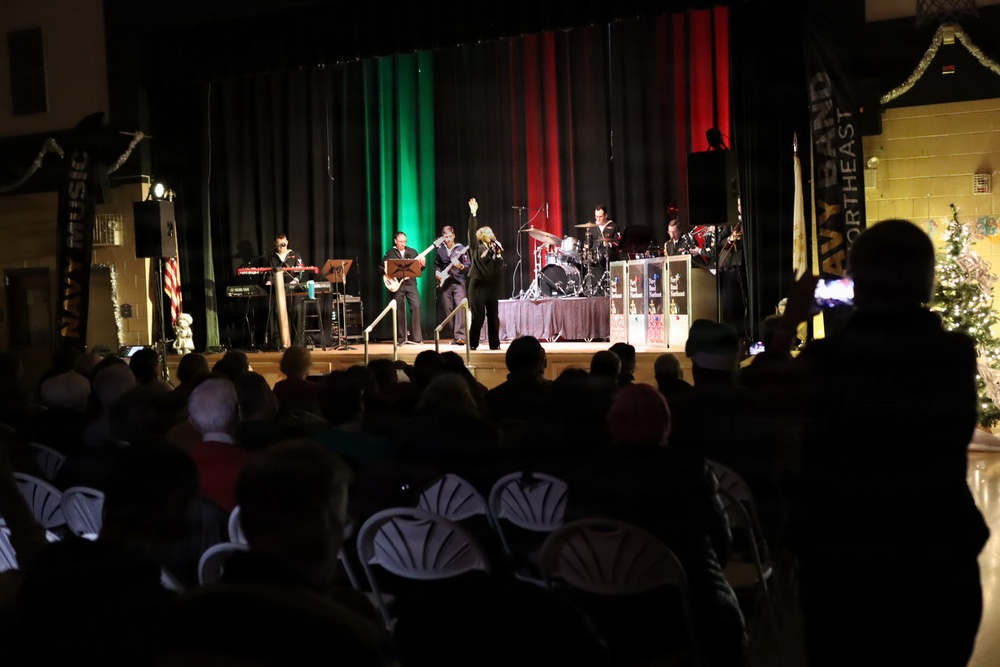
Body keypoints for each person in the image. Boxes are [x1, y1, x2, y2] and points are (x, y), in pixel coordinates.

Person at [778, 220, 990, 666]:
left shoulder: (827, 362)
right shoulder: (955, 355)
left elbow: (761, 396)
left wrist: (789, 321)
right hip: (936, 562)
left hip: (844, 570)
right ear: (925, 279)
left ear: (856, 282)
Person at [466, 198, 503, 350]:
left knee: (493, 316)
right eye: (488, 233)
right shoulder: (476, 247)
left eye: (492, 233)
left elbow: (499, 266)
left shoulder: (494, 248)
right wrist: (473, 214)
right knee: (479, 316)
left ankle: (495, 344)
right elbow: (470, 233)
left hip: (491, 286)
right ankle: (473, 343)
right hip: (478, 286)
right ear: (481, 235)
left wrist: (499, 254)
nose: (492, 234)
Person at [267, 232, 312, 347]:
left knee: (297, 313)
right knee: (277, 316)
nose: (281, 247)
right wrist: (269, 281)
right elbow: (269, 275)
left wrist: (296, 280)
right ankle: (279, 344)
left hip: (294, 291)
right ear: (275, 244)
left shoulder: (295, 255)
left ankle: (297, 345)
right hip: (279, 293)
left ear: (287, 242)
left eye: (283, 244)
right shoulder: (272, 258)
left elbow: (301, 271)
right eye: (278, 245)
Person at [381, 231, 424, 345]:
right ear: (395, 241)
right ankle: (401, 338)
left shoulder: (412, 252)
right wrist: (387, 273)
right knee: (399, 310)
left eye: (404, 241)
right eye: (400, 242)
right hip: (397, 285)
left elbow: (418, 269)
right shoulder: (389, 253)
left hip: (410, 283)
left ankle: (417, 338)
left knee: (416, 306)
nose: (403, 244)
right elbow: (382, 267)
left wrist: (422, 265)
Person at [434, 225, 470, 345]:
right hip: (445, 283)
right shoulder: (440, 250)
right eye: (445, 236)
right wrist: (437, 273)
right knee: (447, 309)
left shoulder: (461, 249)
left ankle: (461, 336)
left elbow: (467, 267)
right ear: (443, 236)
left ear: (453, 236)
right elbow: (436, 265)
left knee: (460, 308)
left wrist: (459, 265)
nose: (448, 239)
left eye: (450, 236)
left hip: (459, 282)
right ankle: (454, 334)